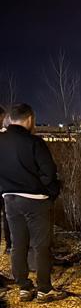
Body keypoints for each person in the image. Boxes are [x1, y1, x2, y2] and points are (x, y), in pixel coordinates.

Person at [0, 103, 63, 302]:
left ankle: (24, 288)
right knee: (41, 245)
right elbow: (49, 172)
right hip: (35, 200)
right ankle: (44, 289)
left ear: (11, 119)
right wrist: (46, 190)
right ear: (29, 119)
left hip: (10, 199)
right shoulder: (34, 142)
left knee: (18, 244)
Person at [0, 106, 11, 254]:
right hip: (5, 185)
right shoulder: (5, 138)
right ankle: (10, 245)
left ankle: (10, 245)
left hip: (4, 185)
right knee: (8, 215)